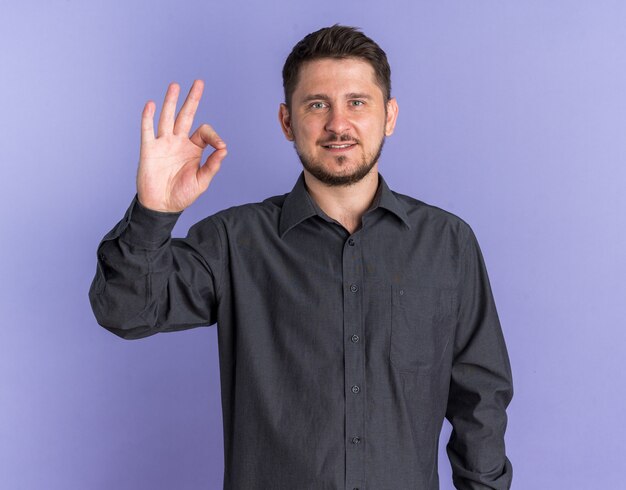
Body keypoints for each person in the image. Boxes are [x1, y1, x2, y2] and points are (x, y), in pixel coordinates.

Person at [89, 25, 513, 490]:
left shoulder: (448, 243)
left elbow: (480, 401)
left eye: (357, 102)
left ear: (388, 115)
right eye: (317, 105)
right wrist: (154, 211)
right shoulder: (236, 241)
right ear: (287, 121)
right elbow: (126, 312)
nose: (337, 124)